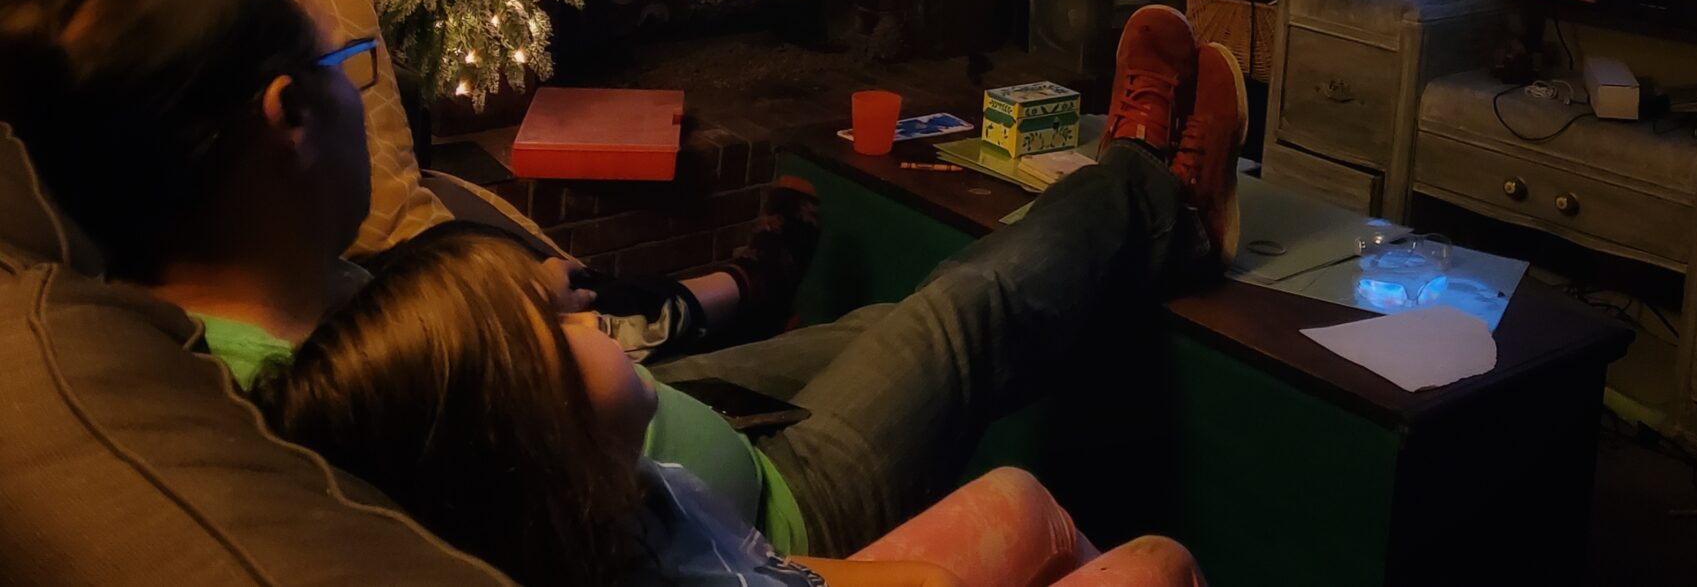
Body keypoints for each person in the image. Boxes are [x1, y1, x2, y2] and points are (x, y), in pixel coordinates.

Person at [0, 0, 1243, 560]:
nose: (356, 85)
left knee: (895, 317)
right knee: (968, 308)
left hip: (671, 416)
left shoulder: (236, 295)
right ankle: (1159, 186)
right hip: (761, 506)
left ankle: (1127, 217)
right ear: (286, 117)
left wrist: (575, 305)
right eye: (346, 66)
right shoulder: (307, 400)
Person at [252, 222, 1205, 587]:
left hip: (772, 512)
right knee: (1158, 560)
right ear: (528, 428)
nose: (586, 317)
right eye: (554, 327)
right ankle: (1150, 188)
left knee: (1017, 489)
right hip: (800, 483)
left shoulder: (633, 498)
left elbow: (768, 563)